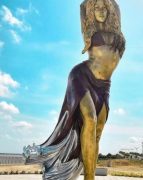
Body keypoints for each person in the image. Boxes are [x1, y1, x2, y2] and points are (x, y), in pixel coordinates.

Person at [24, 0, 125, 179]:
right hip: (82, 77)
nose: (100, 11)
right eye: (96, 8)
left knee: (98, 132)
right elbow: (83, 6)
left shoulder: (117, 32)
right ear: (91, 12)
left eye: (104, 7)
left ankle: (88, 172)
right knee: (91, 120)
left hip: (104, 86)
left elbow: (116, 7)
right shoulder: (89, 30)